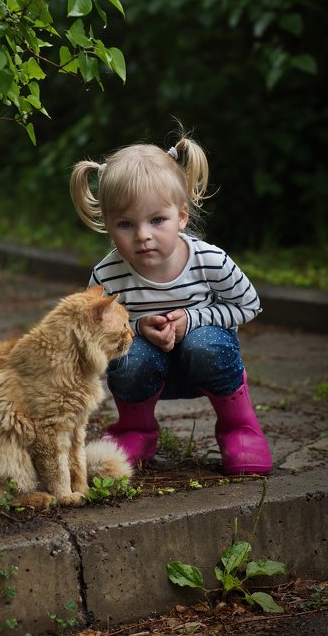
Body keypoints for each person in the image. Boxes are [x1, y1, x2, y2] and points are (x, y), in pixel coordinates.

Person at [69, 128, 272, 475]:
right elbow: (93, 331)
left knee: (205, 342)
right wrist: (136, 328)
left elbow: (248, 305)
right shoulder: (108, 274)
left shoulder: (210, 261)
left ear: (181, 216)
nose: (143, 235)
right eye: (126, 224)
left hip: (206, 365)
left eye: (157, 220)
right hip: (146, 372)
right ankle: (136, 430)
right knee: (126, 352)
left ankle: (239, 426)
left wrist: (192, 320)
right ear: (107, 224)